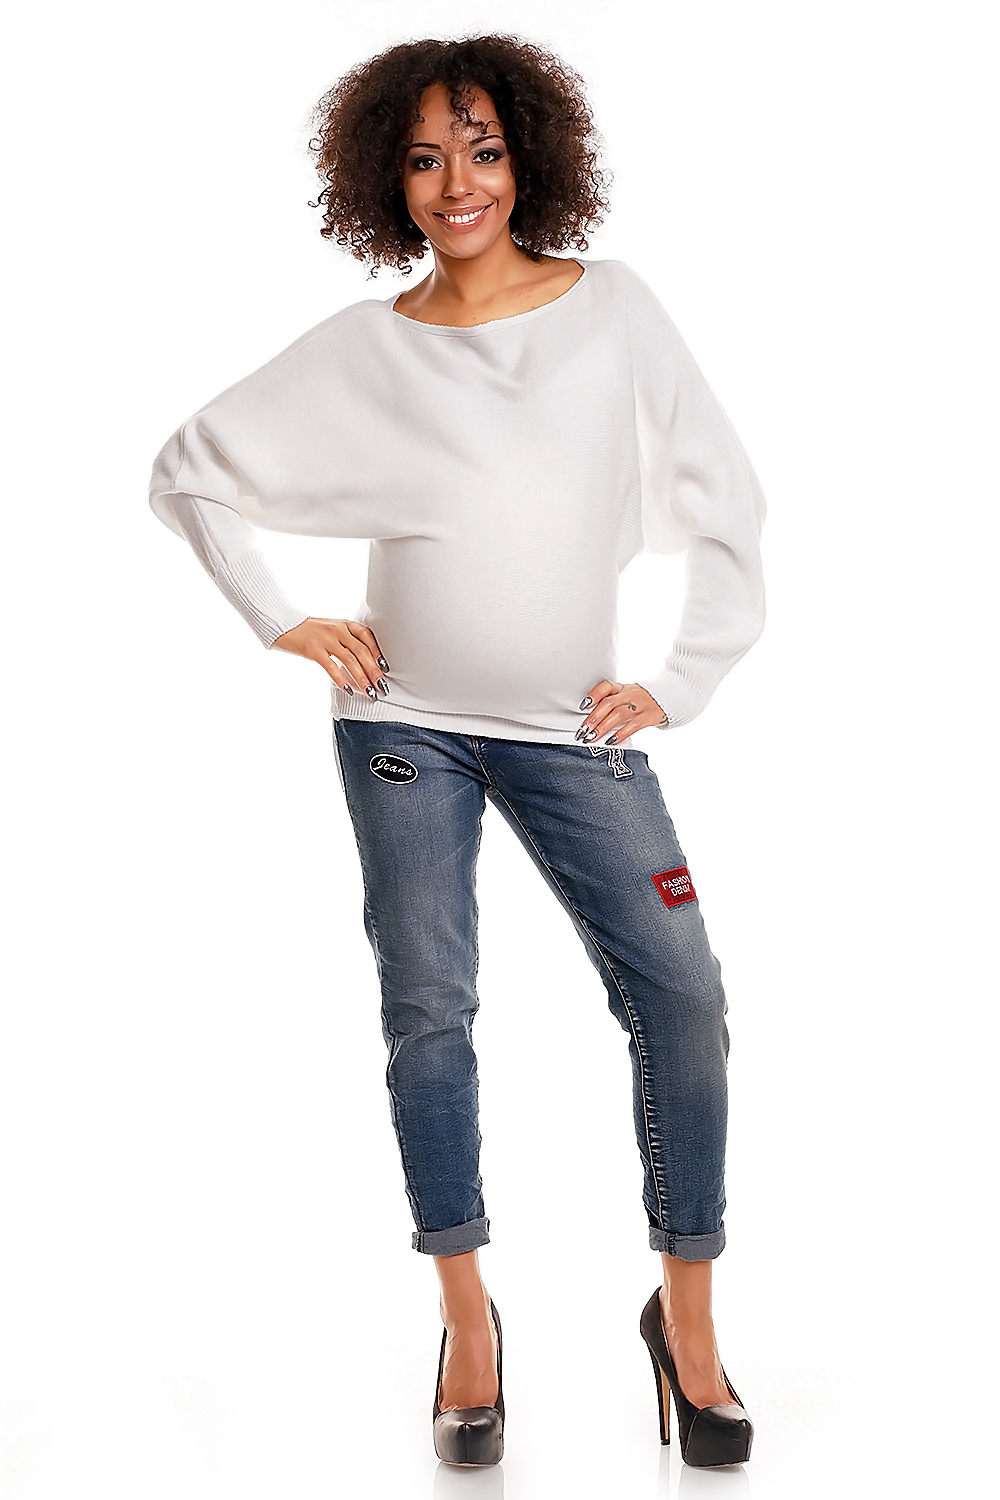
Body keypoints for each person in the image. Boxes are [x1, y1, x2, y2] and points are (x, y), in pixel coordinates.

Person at [148, 34, 765, 1469]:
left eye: (482, 149)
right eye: (425, 159)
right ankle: (468, 1320)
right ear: (389, 180)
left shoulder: (613, 311)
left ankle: (685, 1324)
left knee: (683, 998)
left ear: (528, 157)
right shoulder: (368, 348)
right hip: (403, 726)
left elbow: (729, 499)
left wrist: (678, 681)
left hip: (570, 731)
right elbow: (187, 469)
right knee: (429, 1006)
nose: (457, 183)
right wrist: (284, 620)